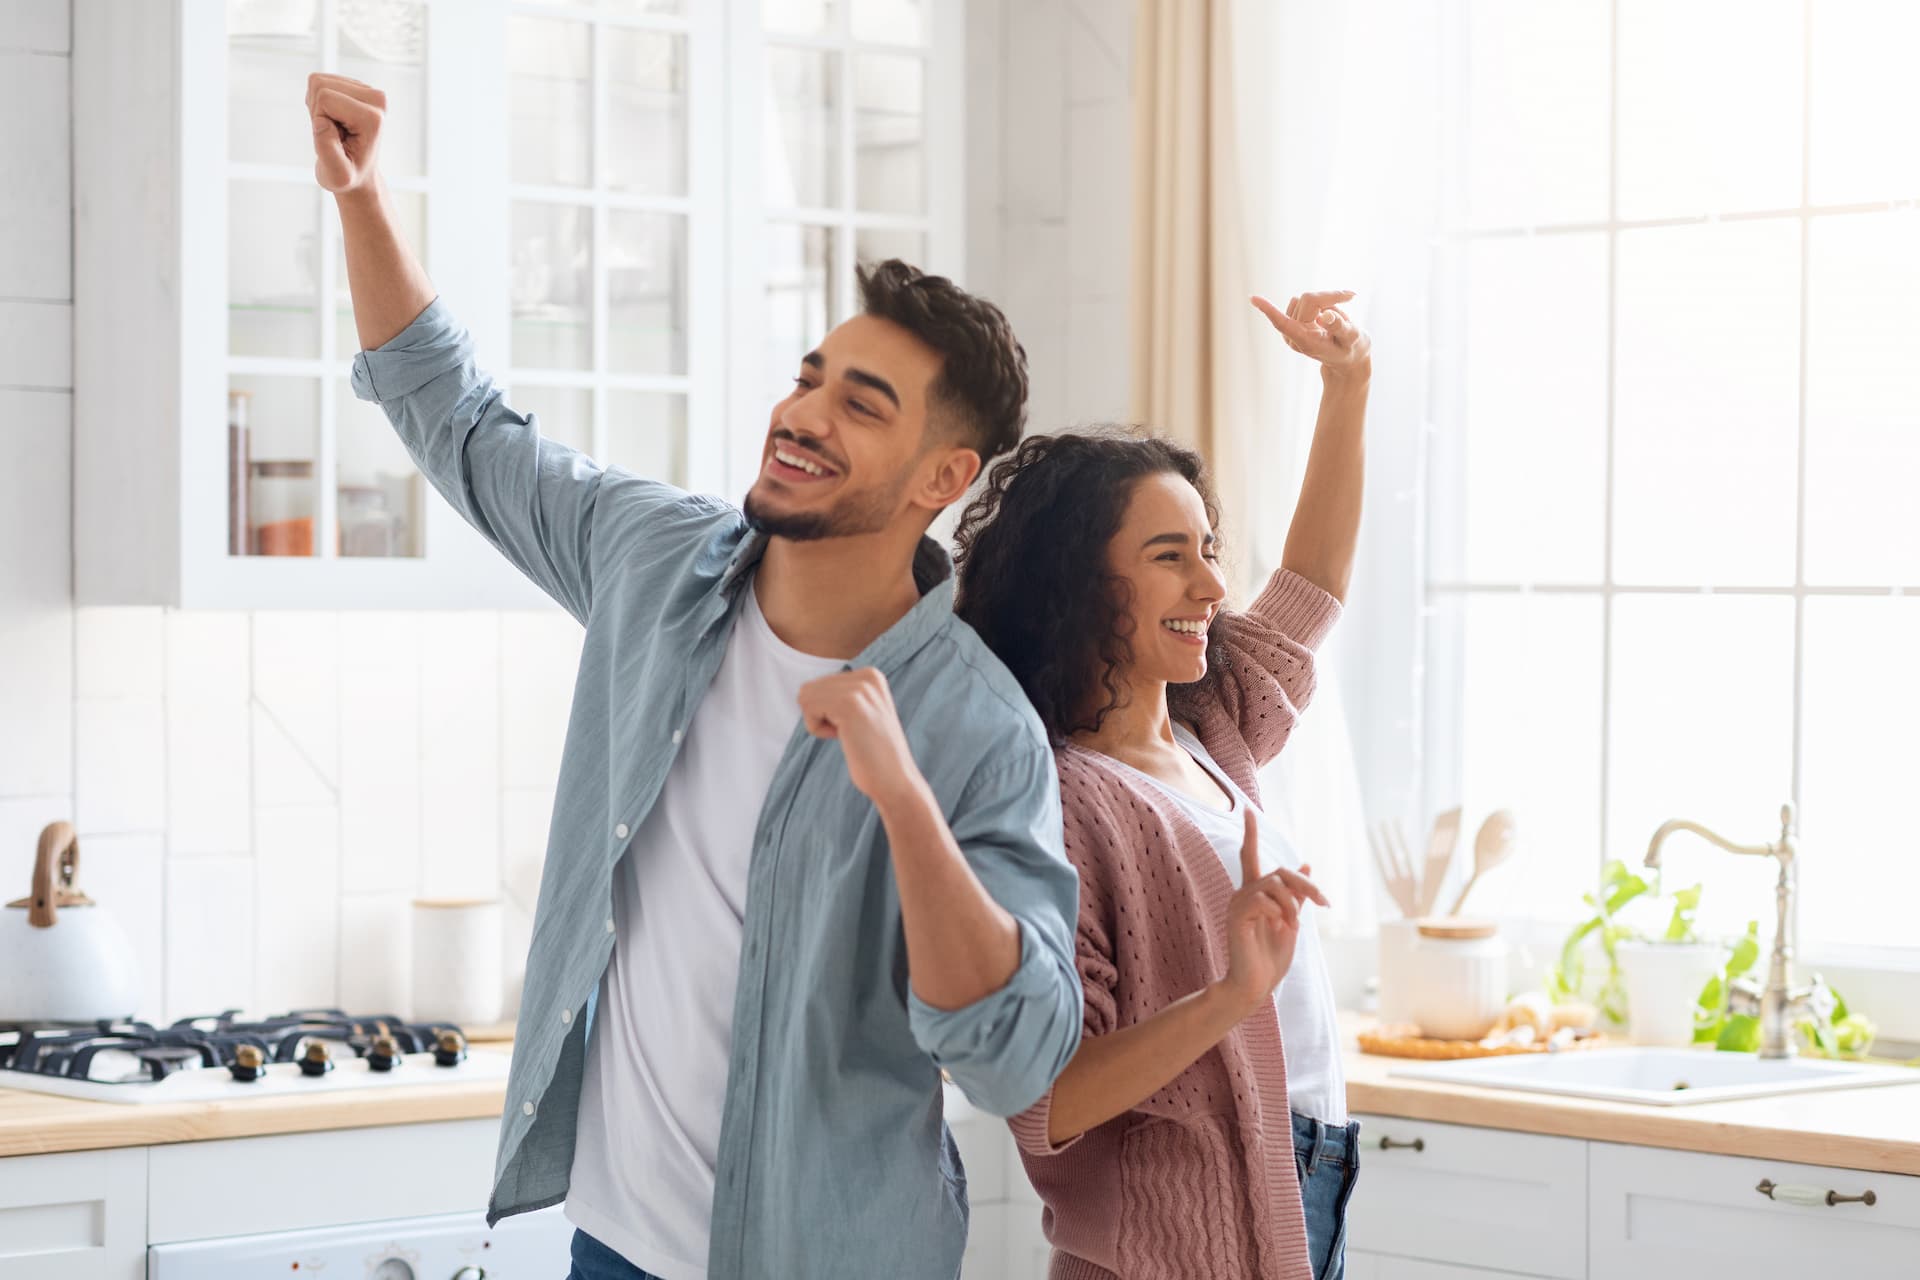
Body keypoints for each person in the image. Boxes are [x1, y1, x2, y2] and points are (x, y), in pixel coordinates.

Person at [308, 73, 1083, 1280]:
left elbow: (1013, 1052)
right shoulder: (655, 562)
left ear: (943, 477)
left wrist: (903, 798)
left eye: (860, 405)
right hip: (613, 1248)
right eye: (809, 375)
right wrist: (361, 199)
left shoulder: (977, 728)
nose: (802, 412)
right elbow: (458, 423)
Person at [952, 290, 1371, 1280]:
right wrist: (1230, 995)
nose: (1214, 586)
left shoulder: (1213, 725)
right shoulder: (1055, 798)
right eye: (1169, 557)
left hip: (1304, 1174)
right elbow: (1047, 1094)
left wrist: (1346, 384)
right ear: (1079, 584)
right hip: (1170, 1241)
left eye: (1210, 549)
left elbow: (1311, 585)